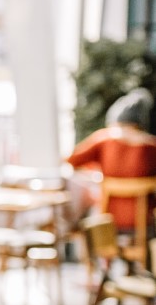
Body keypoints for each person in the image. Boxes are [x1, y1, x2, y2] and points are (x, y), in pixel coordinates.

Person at [66, 89, 156, 232]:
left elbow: (72, 160)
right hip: (146, 222)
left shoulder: (104, 139)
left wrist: (98, 175)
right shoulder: (151, 146)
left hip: (107, 220)